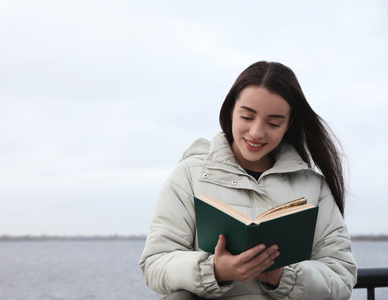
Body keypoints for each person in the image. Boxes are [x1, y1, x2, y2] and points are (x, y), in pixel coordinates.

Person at [139, 61, 357, 299]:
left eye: (273, 123)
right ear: (231, 110)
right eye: (247, 116)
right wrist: (215, 270)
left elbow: (342, 276)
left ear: (288, 124)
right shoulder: (189, 175)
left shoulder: (314, 186)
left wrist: (283, 276)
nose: (256, 132)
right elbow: (155, 263)